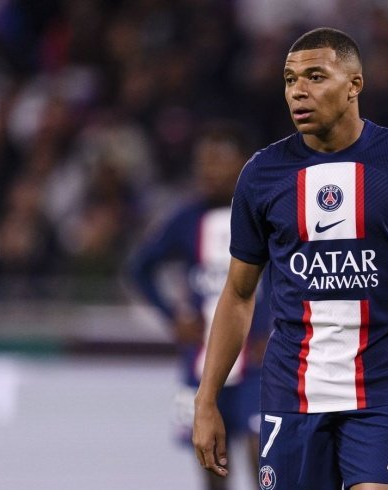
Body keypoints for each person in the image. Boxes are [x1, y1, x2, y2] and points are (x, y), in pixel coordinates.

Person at [192, 28, 388, 490]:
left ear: (354, 85)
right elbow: (239, 294)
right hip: (292, 399)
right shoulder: (262, 175)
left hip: (383, 397)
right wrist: (206, 400)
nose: (298, 91)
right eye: (289, 80)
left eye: (315, 76)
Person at [130, 123, 270, 490]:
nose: (209, 170)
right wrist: (172, 317)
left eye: (219, 161)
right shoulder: (185, 219)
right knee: (211, 458)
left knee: (263, 456)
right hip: (202, 364)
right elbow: (139, 269)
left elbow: (292, 274)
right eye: (203, 162)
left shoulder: (266, 214)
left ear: (242, 163)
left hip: (258, 365)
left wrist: (275, 328)